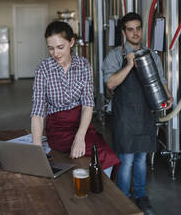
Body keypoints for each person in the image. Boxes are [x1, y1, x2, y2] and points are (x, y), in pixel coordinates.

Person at [102, 12, 173, 215]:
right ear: (124, 32)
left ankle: (141, 197)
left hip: (145, 115)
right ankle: (124, 199)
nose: (135, 33)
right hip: (125, 115)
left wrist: (168, 97)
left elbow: (162, 82)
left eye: (138, 28)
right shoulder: (115, 55)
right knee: (127, 160)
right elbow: (110, 84)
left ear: (143, 29)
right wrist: (130, 64)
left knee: (141, 159)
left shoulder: (152, 55)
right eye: (130, 29)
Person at [31, 20, 120, 178]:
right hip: (58, 129)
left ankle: (102, 192)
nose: (55, 54)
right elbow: (38, 111)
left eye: (60, 47)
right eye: (50, 48)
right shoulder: (43, 69)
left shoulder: (84, 65)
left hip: (82, 125)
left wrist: (80, 138)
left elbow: (87, 105)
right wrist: (37, 149)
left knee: (108, 155)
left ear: (71, 42)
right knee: (90, 156)